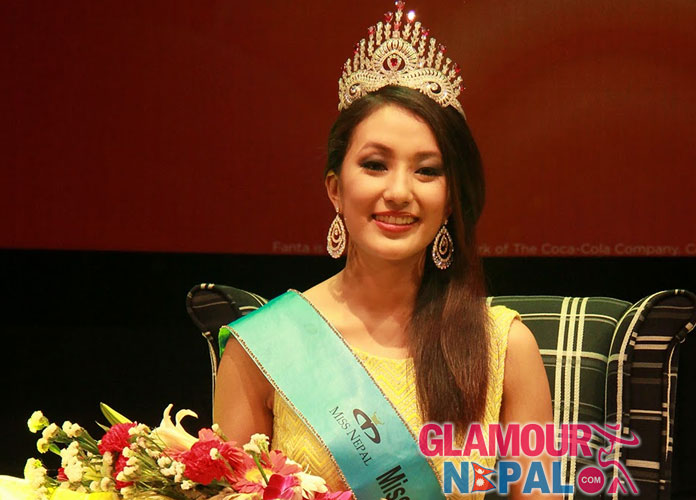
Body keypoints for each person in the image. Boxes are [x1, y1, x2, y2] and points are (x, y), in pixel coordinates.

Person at [215, 3, 559, 499]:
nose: (399, 192)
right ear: (335, 189)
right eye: (375, 165)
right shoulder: (263, 348)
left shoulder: (505, 348)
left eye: (427, 171)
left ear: (450, 200)